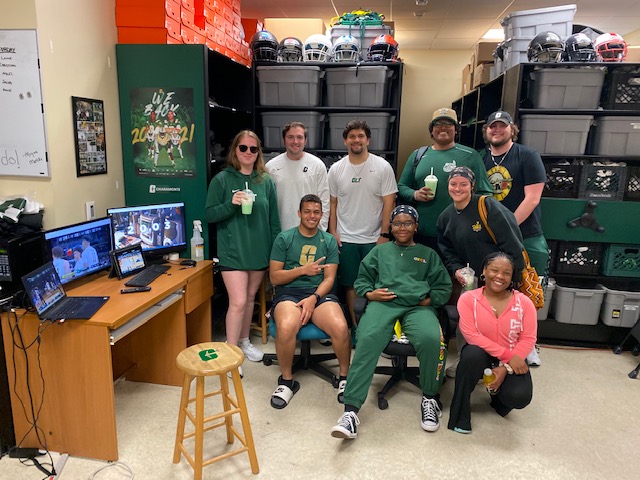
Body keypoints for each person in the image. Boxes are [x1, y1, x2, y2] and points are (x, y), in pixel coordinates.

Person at [331, 205, 452, 439]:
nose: (402, 227)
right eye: (397, 223)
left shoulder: (428, 254)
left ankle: (430, 398)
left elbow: (443, 286)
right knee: (366, 339)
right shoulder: (380, 252)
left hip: (417, 307)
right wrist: (369, 294)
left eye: (408, 223)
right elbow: (362, 279)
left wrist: (429, 301)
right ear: (391, 227)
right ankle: (350, 412)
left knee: (432, 339)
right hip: (383, 304)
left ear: (416, 226)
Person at [205, 130, 281, 366]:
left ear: (258, 152)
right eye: (243, 148)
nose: (248, 153)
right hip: (233, 251)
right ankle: (231, 351)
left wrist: (276, 253)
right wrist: (231, 203)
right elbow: (209, 214)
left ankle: (245, 341)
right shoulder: (222, 179)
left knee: (249, 299)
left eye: (253, 149)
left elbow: (274, 220)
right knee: (237, 301)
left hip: (259, 250)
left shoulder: (266, 180)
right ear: (235, 150)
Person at [269, 194, 351, 409]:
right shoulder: (284, 238)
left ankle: (344, 377)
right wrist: (303, 270)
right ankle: (286, 381)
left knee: (341, 326)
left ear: (322, 215)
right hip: (288, 293)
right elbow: (274, 277)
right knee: (287, 326)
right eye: (307, 211)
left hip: (319, 293)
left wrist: (314, 298)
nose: (311, 216)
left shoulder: (329, 240)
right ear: (299, 213)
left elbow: (330, 279)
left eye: (316, 212)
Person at [482, 110, 548, 366]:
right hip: (491, 235)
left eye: (502, 126)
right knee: (493, 287)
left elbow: (532, 198)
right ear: (486, 130)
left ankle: (528, 344)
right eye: (492, 126)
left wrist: (506, 228)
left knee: (526, 289)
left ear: (512, 129)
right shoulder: (481, 158)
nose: (496, 130)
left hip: (525, 234)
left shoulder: (527, 156)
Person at [448, 252, 537, 434]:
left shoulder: (524, 303)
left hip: (510, 357)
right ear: (484, 271)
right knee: (471, 354)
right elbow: (471, 335)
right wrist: (510, 357)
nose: (499, 276)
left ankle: (497, 397)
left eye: (506, 273)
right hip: (480, 353)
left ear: (512, 277)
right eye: (494, 270)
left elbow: (528, 339)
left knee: (519, 397)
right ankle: (460, 415)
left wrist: (506, 368)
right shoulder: (468, 299)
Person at [328, 120, 398, 325]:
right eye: (351, 136)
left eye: (360, 136)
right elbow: (332, 203)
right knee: (350, 285)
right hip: (346, 238)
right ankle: (358, 328)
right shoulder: (336, 169)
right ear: (345, 141)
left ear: (368, 139)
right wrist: (333, 231)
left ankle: (373, 328)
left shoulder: (382, 167)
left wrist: (385, 234)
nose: (356, 140)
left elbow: (389, 202)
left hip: (374, 238)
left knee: (375, 284)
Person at [397, 108, 492, 253]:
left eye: (448, 124)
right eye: (438, 124)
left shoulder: (470, 156)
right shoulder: (418, 155)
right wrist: (415, 194)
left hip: (458, 232)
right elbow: (402, 186)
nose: (443, 127)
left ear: (456, 129)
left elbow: (485, 194)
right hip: (423, 232)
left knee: (456, 274)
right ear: (431, 130)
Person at [437, 166, 525, 286]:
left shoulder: (487, 206)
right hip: (471, 283)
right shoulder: (445, 218)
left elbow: (511, 242)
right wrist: (457, 269)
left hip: (500, 279)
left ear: (472, 186)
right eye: (453, 184)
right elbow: (447, 251)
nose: (457, 189)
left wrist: (515, 276)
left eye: (463, 184)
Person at [265, 122, 330, 231]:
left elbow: (324, 200)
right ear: (284, 140)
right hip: (281, 233)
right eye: (290, 137)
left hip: (310, 233)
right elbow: (266, 204)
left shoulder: (317, 165)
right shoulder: (271, 167)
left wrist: (320, 230)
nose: (295, 141)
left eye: (299, 137)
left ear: (305, 140)